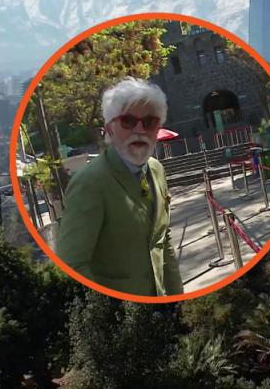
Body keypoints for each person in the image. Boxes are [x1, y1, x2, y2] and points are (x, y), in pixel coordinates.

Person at [56, 77, 183, 296]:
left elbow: (162, 239)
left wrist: (177, 298)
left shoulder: (157, 170)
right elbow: (71, 266)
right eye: (128, 121)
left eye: (150, 122)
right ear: (110, 130)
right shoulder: (90, 182)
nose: (140, 130)